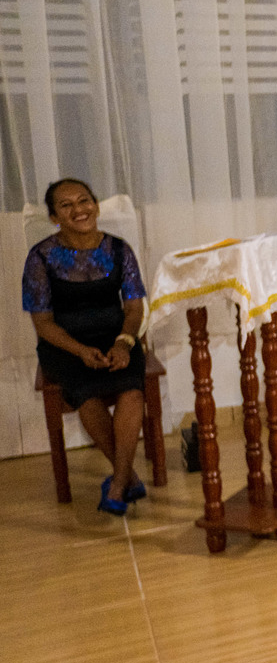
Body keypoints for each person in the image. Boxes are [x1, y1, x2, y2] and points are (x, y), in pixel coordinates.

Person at [21, 179, 148, 516]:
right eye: (66, 205)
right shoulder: (40, 258)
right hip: (64, 345)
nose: (78, 210)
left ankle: (118, 484)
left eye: (84, 200)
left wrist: (124, 343)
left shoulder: (120, 250)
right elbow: (43, 323)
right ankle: (128, 478)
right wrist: (79, 350)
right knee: (87, 396)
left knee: (132, 391)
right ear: (54, 217)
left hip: (118, 337)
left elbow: (134, 309)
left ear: (96, 205)